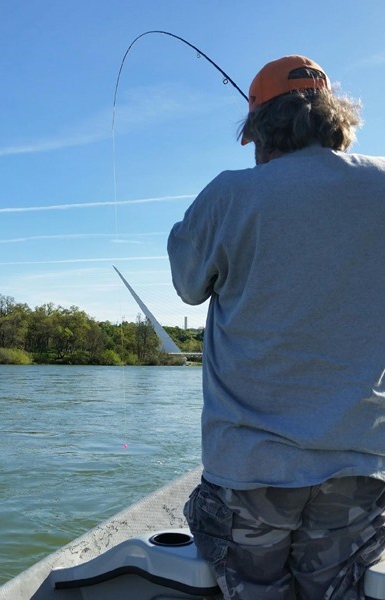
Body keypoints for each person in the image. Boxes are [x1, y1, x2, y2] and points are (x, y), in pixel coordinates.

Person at [167, 55, 385, 600]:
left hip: (250, 477)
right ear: (336, 120)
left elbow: (187, 285)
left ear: (260, 129)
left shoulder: (229, 195)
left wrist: (185, 231)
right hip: (361, 471)